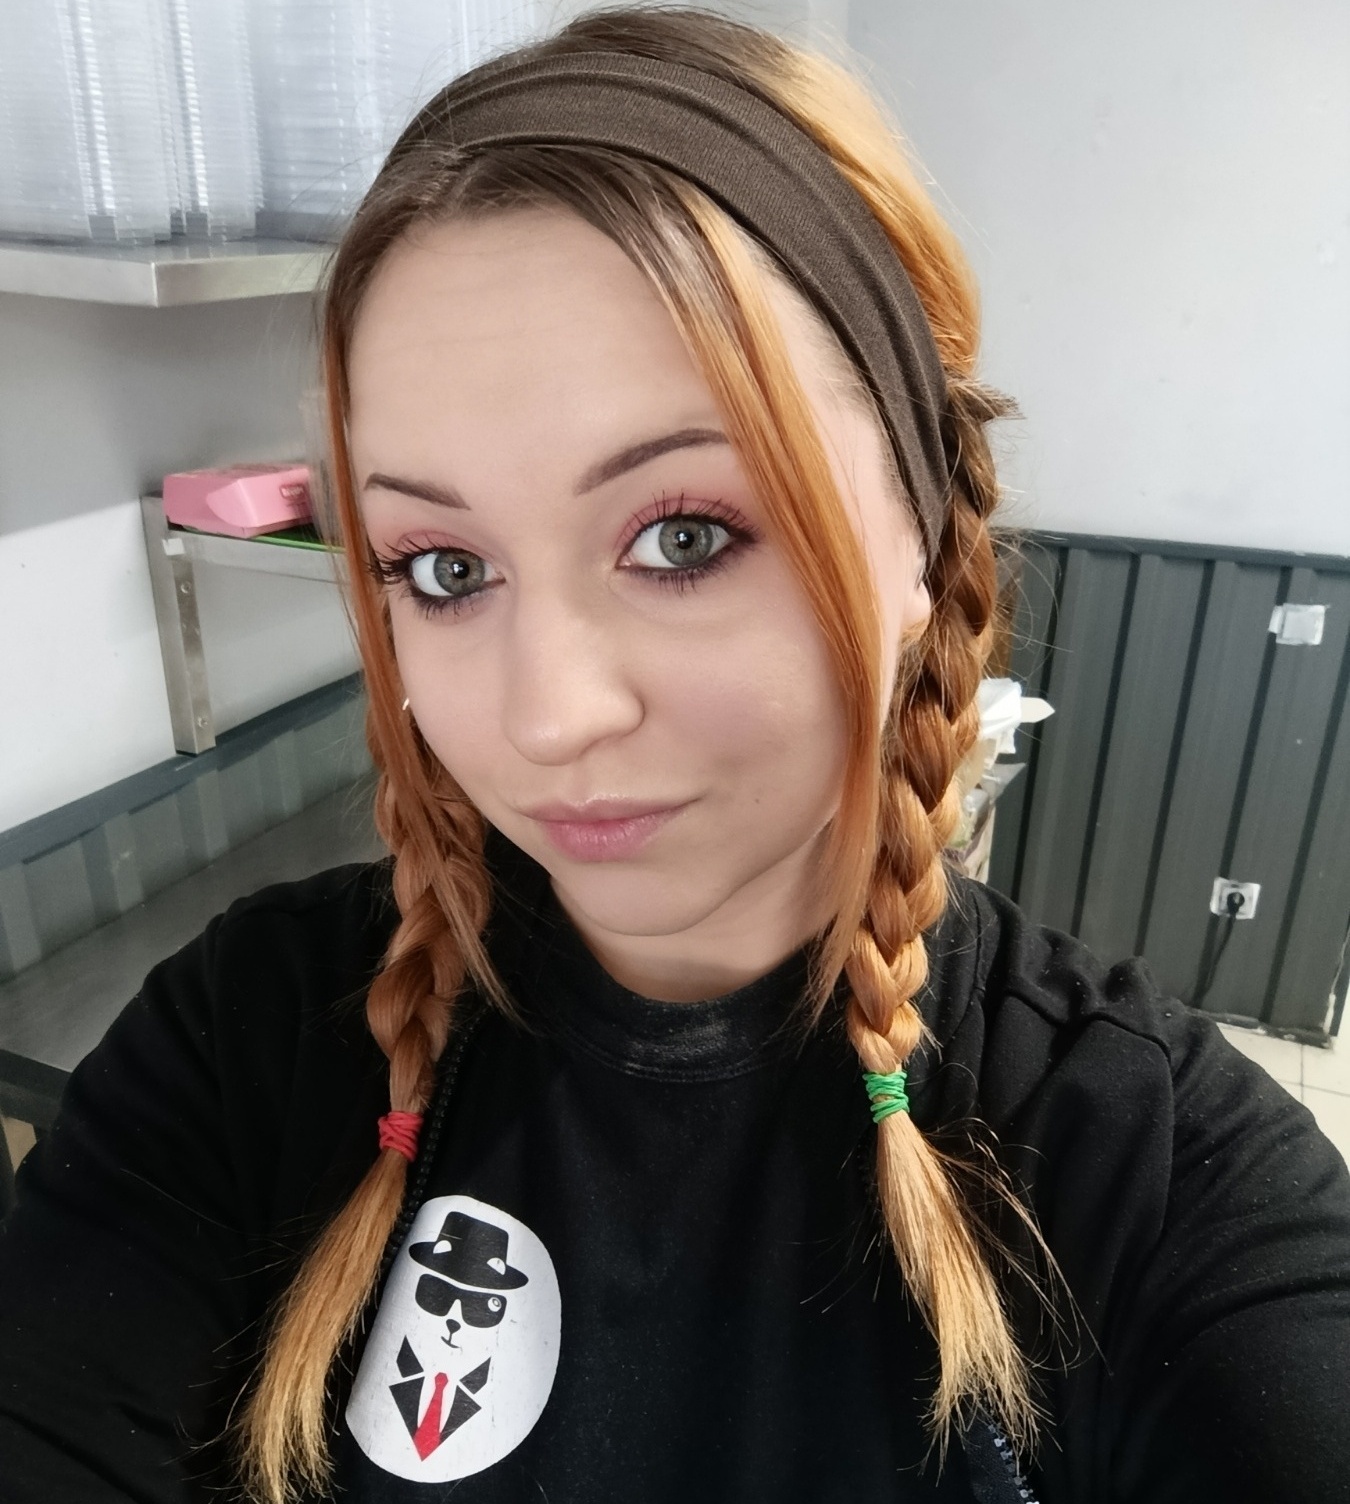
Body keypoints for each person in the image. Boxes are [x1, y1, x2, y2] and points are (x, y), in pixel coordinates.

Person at [1, 8, 1348, 1503]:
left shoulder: (1150, 1173)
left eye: (685, 537)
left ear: (922, 533)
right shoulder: (244, 1048)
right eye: (443, 568)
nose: (548, 717)